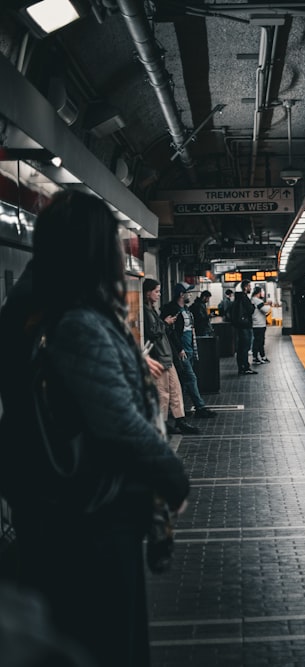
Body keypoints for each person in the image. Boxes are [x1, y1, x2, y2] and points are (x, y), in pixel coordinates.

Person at [0, 191, 190, 667]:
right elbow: (120, 423)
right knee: (110, 642)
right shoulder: (79, 323)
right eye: (111, 242)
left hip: (65, 514)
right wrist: (171, 472)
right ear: (92, 252)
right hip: (91, 519)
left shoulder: (41, 308)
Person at [142, 279, 199, 435]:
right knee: (163, 392)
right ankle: (163, 422)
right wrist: (165, 323)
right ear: (148, 292)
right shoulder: (144, 312)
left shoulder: (152, 310)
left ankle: (180, 420)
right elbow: (152, 332)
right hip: (158, 357)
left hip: (166, 355)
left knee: (175, 390)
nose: (159, 294)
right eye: (157, 291)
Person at [161, 283, 217, 418]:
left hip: (189, 349)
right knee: (191, 378)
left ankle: (178, 409)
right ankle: (200, 407)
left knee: (183, 381)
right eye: (188, 292)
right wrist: (179, 349)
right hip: (181, 351)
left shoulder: (186, 309)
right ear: (181, 294)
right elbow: (171, 333)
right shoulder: (172, 310)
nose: (190, 295)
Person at [231, 279, 256, 375]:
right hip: (245, 325)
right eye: (249, 286)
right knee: (245, 347)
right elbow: (250, 310)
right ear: (245, 287)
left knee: (241, 348)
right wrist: (252, 306)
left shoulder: (238, 298)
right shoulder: (244, 298)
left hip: (240, 326)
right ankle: (245, 367)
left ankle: (241, 367)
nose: (251, 288)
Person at [251, 285, 272, 364]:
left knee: (259, 341)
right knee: (258, 341)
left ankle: (262, 356)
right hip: (259, 324)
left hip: (256, 323)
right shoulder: (257, 301)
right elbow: (265, 310)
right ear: (258, 293)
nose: (262, 294)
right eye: (262, 292)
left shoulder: (252, 300)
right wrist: (269, 305)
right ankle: (256, 357)